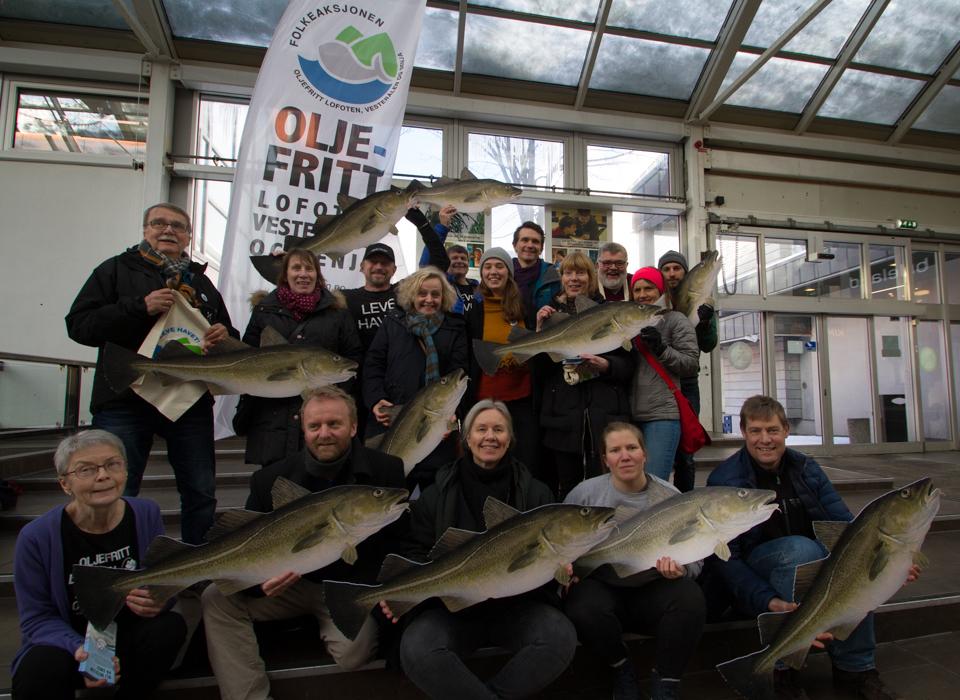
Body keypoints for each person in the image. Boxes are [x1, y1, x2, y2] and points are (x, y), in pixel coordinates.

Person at [202, 386, 406, 700]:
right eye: (315, 426)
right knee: (216, 596)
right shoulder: (270, 480)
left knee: (354, 654)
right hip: (289, 586)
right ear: (304, 429)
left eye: (334, 424)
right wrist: (261, 586)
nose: (324, 433)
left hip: (348, 587)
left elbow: (398, 541)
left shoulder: (386, 471)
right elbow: (247, 543)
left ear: (353, 427)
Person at [706, 395, 913, 700]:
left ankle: (856, 670)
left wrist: (890, 559)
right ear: (744, 432)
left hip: (809, 567)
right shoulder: (726, 479)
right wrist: (768, 600)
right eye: (756, 431)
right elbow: (726, 559)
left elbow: (847, 528)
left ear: (786, 430)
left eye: (773, 430)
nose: (765, 439)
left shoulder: (806, 468)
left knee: (854, 567)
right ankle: (783, 670)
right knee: (801, 550)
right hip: (757, 575)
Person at [65, 202, 237, 544]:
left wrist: (223, 337)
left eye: (178, 226)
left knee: (201, 491)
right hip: (124, 399)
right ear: (145, 230)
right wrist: (137, 307)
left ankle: (196, 565)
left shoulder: (202, 284)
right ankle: (115, 562)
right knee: (116, 488)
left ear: (188, 236)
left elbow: (229, 336)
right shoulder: (114, 270)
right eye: (159, 223)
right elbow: (79, 326)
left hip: (187, 401)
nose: (168, 230)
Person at [392, 399, 577, 699]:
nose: (489, 436)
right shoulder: (436, 492)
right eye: (481, 429)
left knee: (559, 637)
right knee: (417, 648)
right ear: (466, 438)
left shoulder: (536, 492)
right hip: (452, 610)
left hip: (517, 607)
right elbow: (415, 549)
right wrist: (408, 588)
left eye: (498, 429)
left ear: (510, 439)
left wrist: (562, 570)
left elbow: (552, 559)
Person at [12, 430, 188, 700]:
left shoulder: (146, 513)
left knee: (170, 627)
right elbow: (36, 619)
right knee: (39, 669)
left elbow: (163, 580)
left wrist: (158, 599)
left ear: (125, 471)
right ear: (64, 484)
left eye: (112, 464)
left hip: (128, 638)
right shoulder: (36, 537)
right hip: (69, 643)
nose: (103, 475)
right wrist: (83, 651)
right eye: (86, 470)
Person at [564, 422, 706, 700]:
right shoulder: (585, 495)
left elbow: (698, 556)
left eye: (631, 447)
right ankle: (621, 666)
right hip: (605, 586)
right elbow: (564, 546)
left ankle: (666, 682)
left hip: (653, 587)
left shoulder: (670, 497)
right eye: (615, 450)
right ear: (605, 460)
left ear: (645, 453)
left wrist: (682, 569)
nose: (625, 456)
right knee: (580, 604)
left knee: (691, 598)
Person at [233, 249, 363, 468]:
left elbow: (354, 357)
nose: (303, 274)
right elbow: (245, 355)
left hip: (321, 416)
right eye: (296, 268)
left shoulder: (338, 313)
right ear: (285, 275)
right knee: (273, 485)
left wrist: (334, 396)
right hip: (272, 418)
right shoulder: (264, 310)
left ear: (318, 275)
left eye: (309, 268)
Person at [535, 252, 632, 499]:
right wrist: (538, 332)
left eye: (581, 273)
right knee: (567, 487)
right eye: (569, 273)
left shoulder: (609, 312)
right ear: (562, 277)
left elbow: (629, 365)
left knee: (607, 487)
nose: (574, 278)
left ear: (591, 277)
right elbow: (540, 372)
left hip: (603, 418)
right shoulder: (549, 315)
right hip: (564, 420)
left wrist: (606, 365)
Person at [362, 267, 469, 489]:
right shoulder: (393, 323)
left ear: (444, 297)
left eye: (435, 294)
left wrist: (454, 416)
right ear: (412, 294)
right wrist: (375, 399)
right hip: (393, 425)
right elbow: (373, 365)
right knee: (388, 494)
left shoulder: (455, 327)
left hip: (438, 429)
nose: (429, 299)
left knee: (436, 499)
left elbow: (460, 374)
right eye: (422, 293)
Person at [463, 247, 539, 475]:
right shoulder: (473, 311)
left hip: (523, 399)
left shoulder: (525, 309)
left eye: (499, 266)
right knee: (487, 463)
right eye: (488, 266)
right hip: (485, 401)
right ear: (482, 272)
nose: (493, 272)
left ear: (509, 272)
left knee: (526, 460)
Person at [629, 267, 699, 482]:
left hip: (662, 415)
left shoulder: (675, 320)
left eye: (648, 288)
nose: (642, 294)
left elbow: (690, 364)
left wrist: (661, 349)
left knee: (653, 484)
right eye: (637, 289)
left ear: (660, 290)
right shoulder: (629, 321)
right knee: (631, 484)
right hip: (630, 414)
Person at [659, 250, 719, 492]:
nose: (672, 273)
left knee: (686, 451)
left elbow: (708, 344)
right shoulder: (654, 298)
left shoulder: (702, 299)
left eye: (677, 268)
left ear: (685, 272)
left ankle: (686, 498)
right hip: (659, 381)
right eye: (667, 269)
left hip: (687, 383)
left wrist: (704, 322)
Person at [511, 222, 560, 329]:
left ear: (541, 248)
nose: (530, 245)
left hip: (541, 339)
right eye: (525, 240)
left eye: (535, 241)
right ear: (514, 245)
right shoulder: (502, 274)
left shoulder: (553, 276)